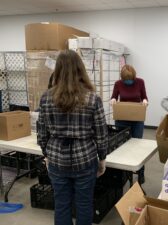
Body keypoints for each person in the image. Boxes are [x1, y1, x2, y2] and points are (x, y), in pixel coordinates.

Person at [37, 49, 108, 225]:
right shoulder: (93, 98)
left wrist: (47, 154)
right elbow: (101, 133)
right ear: (80, 69)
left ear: (58, 70)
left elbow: (41, 132)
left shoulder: (46, 98)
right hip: (85, 158)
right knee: (84, 204)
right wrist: (102, 158)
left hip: (56, 159)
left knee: (61, 204)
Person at [110, 64, 148, 183]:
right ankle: (123, 174)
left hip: (137, 119)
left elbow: (144, 97)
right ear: (122, 78)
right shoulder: (118, 84)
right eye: (126, 80)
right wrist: (113, 101)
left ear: (134, 77)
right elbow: (113, 97)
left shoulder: (140, 82)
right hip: (122, 118)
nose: (128, 81)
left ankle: (140, 172)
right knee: (121, 145)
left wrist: (145, 102)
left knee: (137, 147)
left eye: (130, 79)